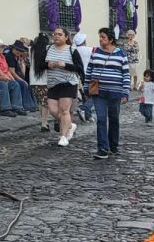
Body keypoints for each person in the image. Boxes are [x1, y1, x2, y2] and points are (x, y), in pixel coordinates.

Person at [85, 28, 130, 160]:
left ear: (110, 39)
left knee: (114, 119)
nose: (100, 39)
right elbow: (89, 70)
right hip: (99, 92)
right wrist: (86, 88)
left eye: (103, 37)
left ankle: (113, 145)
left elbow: (125, 74)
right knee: (101, 119)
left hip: (115, 92)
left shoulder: (121, 54)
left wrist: (125, 91)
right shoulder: (96, 52)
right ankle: (102, 148)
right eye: (100, 37)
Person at [44, 27, 80, 146]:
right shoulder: (47, 49)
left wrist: (65, 65)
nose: (56, 36)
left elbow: (79, 68)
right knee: (53, 110)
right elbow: (39, 65)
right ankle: (69, 125)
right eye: (54, 34)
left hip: (68, 83)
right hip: (52, 83)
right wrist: (48, 64)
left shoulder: (72, 50)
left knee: (64, 110)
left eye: (59, 34)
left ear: (66, 37)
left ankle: (63, 136)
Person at [30, 32, 51, 132]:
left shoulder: (31, 50)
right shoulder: (47, 49)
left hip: (33, 80)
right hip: (44, 80)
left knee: (40, 102)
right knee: (45, 103)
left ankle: (44, 122)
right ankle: (44, 123)